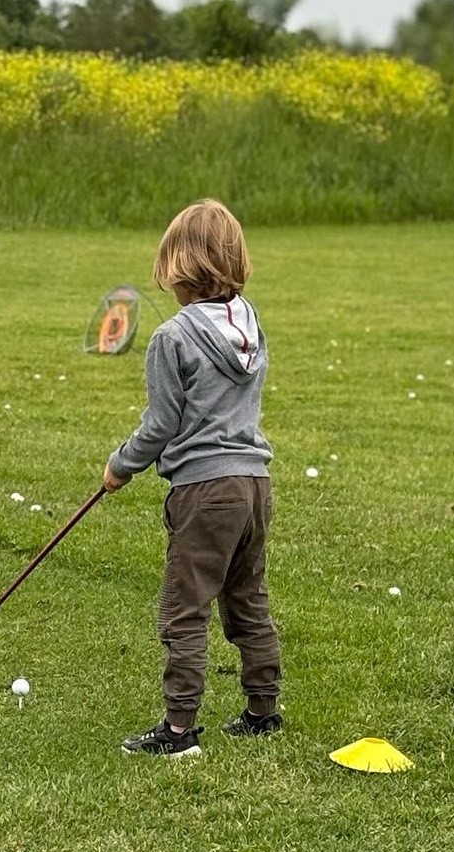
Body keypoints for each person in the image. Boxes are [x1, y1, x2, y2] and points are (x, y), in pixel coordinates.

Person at [104, 199, 282, 757]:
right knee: (247, 598)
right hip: (255, 485)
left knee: (185, 608)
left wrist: (120, 464)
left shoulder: (172, 338)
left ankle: (179, 730)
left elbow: (160, 426)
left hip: (205, 492)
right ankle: (262, 709)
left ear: (180, 267)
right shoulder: (251, 324)